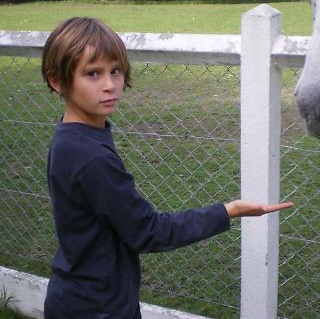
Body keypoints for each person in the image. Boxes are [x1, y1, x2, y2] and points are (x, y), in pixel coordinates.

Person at [41, 17, 293, 319]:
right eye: (93, 73)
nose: (110, 85)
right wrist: (229, 211)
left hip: (75, 294)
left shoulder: (70, 136)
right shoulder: (92, 157)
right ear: (57, 80)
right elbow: (149, 232)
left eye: (116, 71)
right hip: (99, 307)